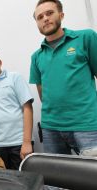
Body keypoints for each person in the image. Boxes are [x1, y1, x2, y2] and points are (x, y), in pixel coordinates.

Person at [30, 0, 97, 156]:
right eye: (40, 17)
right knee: (58, 179)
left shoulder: (86, 37)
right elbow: (42, 93)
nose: (45, 18)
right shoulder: (36, 56)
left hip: (86, 126)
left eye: (49, 13)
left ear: (61, 15)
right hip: (51, 128)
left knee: (92, 178)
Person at [0, 49, 34, 170]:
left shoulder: (15, 78)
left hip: (18, 143)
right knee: (0, 183)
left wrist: (27, 142)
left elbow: (28, 107)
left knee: (22, 183)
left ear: (0, 62)